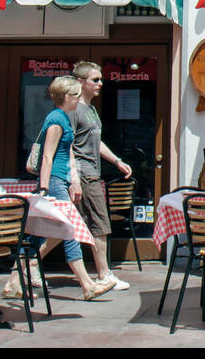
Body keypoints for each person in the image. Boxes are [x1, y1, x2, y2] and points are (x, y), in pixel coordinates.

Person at [31, 76, 116, 301]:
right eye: (77, 95)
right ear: (67, 97)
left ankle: (19, 274)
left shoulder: (65, 118)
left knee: (63, 230)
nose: (79, 99)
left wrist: (73, 179)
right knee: (71, 230)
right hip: (55, 180)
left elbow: (67, 153)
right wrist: (44, 187)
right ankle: (87, 285)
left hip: (63, 179)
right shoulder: (57, 119)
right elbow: (48, 156)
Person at [69, 61, 134, 290]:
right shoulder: (74, 109)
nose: (100, 83)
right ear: (80, 82)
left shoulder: (91, 110)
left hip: (90, 173)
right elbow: (67, 145)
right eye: (95, 80)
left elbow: (95, 143)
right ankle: (104, 274)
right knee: (100, 224)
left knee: (67, 225)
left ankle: (27, 268)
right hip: (84, 175)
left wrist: (116, 161)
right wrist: (74, 178)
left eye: (100, 79)